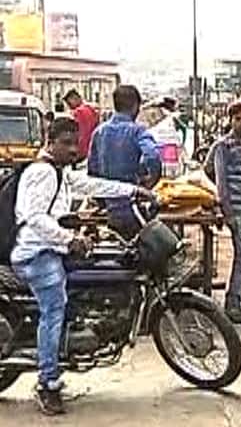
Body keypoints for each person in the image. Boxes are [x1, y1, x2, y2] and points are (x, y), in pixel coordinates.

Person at [13, 117, 152, 415]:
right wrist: (70, 239)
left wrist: (132, 191)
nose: (73, 150)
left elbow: (90, 184)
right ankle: (48, 383)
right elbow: (34, 218)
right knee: (54, 308)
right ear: (50, 142)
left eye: (75, 143)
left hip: (52, 246)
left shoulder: (60, 172)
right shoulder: (41, 172)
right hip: (36, 252)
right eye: (66, 143)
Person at [204, 103, 241, 324]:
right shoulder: (222, 147)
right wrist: (226, 210)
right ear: (230, 121)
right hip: (235, 210)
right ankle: (232, 304)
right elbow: (215, 175)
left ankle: (237, 300)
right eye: (238, 119)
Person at [87, 85, 161, 238]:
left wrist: (101, 200)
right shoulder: (137, 131)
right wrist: (150, 181)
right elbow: (153, 156)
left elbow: (92, 171)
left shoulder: (99, 132)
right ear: (135, 106)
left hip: (110, 209)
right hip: (133, 207)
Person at [63, 89, 99, 165]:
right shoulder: (92, 110)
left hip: (81, 153)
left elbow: (80, 134)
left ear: (75, 98)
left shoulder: (78, 112)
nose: (69, 106)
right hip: (93, 150)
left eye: (69, 103)